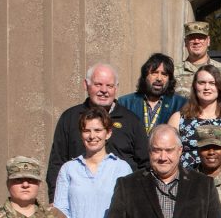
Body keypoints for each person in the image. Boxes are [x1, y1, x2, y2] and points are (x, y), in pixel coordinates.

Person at [46, 63, 148, 199]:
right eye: (98, 84)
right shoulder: (70, 118)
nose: (104, 90)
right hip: (79, 202)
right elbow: (57, 162)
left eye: (109, 86)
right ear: (86, 85)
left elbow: (145, 164)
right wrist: (55, 200)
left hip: (122, 202)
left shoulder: (131, 121)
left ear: (116, 88)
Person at [170, 65, 221, 171]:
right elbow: (169, 157)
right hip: (187, 183)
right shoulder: (178, 118)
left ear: (219, 87)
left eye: (212, 83)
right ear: (195, 86)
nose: (207, 87)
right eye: (202, 83)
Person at [118, 53, 187, 136]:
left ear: (169, 79)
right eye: (154, 73)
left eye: (164, 74)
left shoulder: (181, 105)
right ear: (145, 76)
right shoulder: (126, 103)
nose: (159, 78)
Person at [174, 21, 221, 100]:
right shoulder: (173, 72)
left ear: (208, 41)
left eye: (201, 37)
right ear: (185, 42)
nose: (196, 41)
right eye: (192, 38)